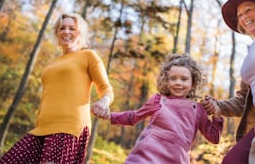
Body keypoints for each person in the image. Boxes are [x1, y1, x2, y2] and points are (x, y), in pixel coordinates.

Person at [0, 13, 114, 164]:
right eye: (62, 28)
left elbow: (106, 88)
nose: (66, 32)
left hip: (69, 126)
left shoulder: (88, 56)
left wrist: (104, 102)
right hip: (42, 127)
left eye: (72, 28)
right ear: (57, 33)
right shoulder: (51, 63)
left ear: (80, 33)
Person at [92, 53, 223, 164]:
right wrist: (110, 115)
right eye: (173, 78)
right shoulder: (158, 100)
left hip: (176, 159)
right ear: (166, 81)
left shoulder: (198, 109)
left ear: (193, 83)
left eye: (184, 79)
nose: (178, 83)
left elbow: (214, 138)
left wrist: (217, 116)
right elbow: (133, 117)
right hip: (146, 155)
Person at [201, 0, 255, 164]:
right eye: (239, 15)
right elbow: (243, 100)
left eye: (248, 10)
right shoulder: (252, 51)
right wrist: (218, 106)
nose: (243, 17)